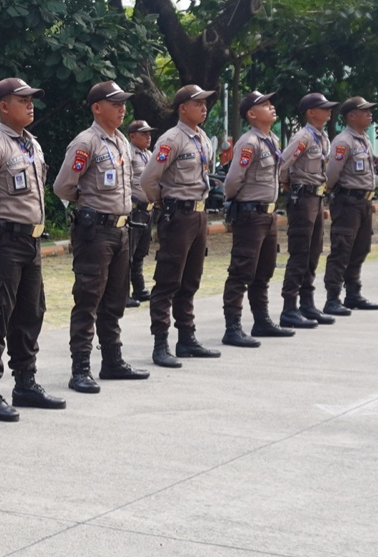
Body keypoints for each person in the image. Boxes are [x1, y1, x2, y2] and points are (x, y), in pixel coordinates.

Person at [0, 77, 64, 422]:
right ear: (4, 106)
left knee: (30, 313)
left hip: (30, 242)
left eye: (32, 98)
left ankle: (25, 382)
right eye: (23, 99)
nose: (31, 104)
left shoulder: (32, 144)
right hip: (2, 242)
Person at [53, 81, 148, 394]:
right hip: (95, 231)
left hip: (121, 229)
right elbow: (63, 186)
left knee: (115, 298)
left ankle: (112, 360)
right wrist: (89, 204)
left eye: (123, 103)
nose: (122, 108)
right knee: (89, 297)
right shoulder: (86, 142)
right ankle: (80, 367)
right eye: (115, 103)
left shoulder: (121, 141)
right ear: (97, 107)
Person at [139, 84, 220, 368]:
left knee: (191, 279)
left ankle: (187, 338)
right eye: (198, 102)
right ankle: (160, 343)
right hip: (177, 215)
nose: (204, 107)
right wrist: (162, 204)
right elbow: (149, 179)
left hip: (198, 214)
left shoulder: (203, 139)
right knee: (168, 280)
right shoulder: (171, 139)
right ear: (182, 107)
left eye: (205, 102)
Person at [220, 90, 292, 346]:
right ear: (251, 114)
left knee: (264, 271)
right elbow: (232, 181)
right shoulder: (249, 142)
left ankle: (261, 321)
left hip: (268, 215)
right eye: (264, 104)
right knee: (242, 272)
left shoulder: (271, 139)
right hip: (250, 214)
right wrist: (238, 203)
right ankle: (232, 328)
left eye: (271, 103)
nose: (271, 107)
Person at [276, 92, 339, 328]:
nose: (329, 111)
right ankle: (289, 307)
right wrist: (286, 184)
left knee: (314, 252)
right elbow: (284, 163)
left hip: (316, 198)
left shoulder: (322, 137)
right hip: (302, 198)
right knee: (300, 253)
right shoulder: (303, 137)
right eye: (324, 108)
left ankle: (307, 303)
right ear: (311, 112)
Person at [323, 96, 378, 313]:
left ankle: (353, 293)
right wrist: (332, 194)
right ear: (351, 116)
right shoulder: (343, 141)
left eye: (370, 110)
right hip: (348, 201)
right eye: (365, 110)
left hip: (364, 203)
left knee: (360, 248)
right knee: (342, 249)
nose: (370, 114)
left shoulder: (363, 138)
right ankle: (332, 298)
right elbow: (331, 174)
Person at [124, 119, 155, 307]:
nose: (148, 137)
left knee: (141, 252)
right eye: (143, 134)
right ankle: (123, 293)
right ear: (132, 136)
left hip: (148, 210)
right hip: (134, 210)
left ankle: (139, 287)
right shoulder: (129, 154)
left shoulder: (148, 154)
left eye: (149, 134)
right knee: (128, 252)